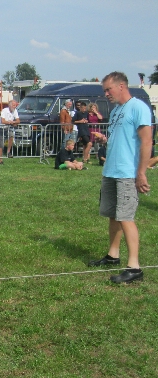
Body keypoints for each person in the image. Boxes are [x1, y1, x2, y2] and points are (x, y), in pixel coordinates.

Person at [88, 71, 152, 284]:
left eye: (109, 89)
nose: (106, 94)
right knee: (113, 215)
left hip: (127, 173)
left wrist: (141, 173)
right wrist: (105, 139)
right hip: (111, 171)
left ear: (121, 86)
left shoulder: (138, 108)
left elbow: (146, 142)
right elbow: (122, 138)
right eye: (104, 90)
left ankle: (134, 267)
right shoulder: (116, 111)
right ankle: (112, 255)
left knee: (126, 217)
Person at [0, 100, 19, 164]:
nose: (15, 106)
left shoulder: (15, 111)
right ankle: (0, 159)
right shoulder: (4, 110)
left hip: (7, 127)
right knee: (1, 144)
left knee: (11, 136)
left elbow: (18, 121)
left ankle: (8, 152)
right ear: (9, 105)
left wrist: (13, 122)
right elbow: (3, 121)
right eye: (13, 105)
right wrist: (10, 122)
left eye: (15, 105)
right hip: (0, 128)